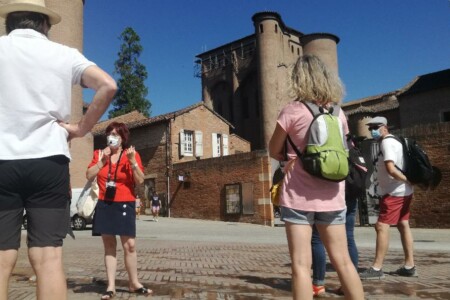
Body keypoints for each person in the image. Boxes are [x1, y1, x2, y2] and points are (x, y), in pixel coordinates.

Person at [0, 0, 117, 299]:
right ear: (45, 24)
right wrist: (81, 128)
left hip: (2, 161)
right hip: (48, 161)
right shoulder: (64, 54)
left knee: (1, 258)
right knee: (49, 257)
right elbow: (107, 85)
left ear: (8, 23)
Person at [269, 54, 364, 300]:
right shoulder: (339, 114)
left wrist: (290, 158)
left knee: (301, 266)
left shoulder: (291, 111)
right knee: (343, 262)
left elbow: (273, 149)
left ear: (298, 80)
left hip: (298, 196)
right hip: (333, 195)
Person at [86, 121, 151, 299]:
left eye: (115, 134)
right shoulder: (99, 154)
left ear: (123, 138)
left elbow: (140, 181)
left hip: (125, 203)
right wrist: (102, 162)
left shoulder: (132, 155)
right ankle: (111, 286)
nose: (111, 137)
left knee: (129, 245)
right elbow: (89, 174)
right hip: (104, 203)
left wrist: (132, 163)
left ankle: (133, 283)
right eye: (109, 134)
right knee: (109, 246)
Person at [359, 116, 417, 280]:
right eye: (370, 128)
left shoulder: (386, 142)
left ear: (385, 127)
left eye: (375, 127)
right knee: (403, 224)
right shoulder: (396, 141)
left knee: (381, 226)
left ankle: (377, 268)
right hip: (403, 190)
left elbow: (391, 169)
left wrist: (406, 180)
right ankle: (409, 266)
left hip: (394, 191)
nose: (372, 131)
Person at [311, 136, 367, 296]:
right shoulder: (351, 145)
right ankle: (349, 284)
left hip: (334, 194)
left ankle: (318, 284)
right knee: (349, 237)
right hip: (352, 193)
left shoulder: (326, 140)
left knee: (317, 238)